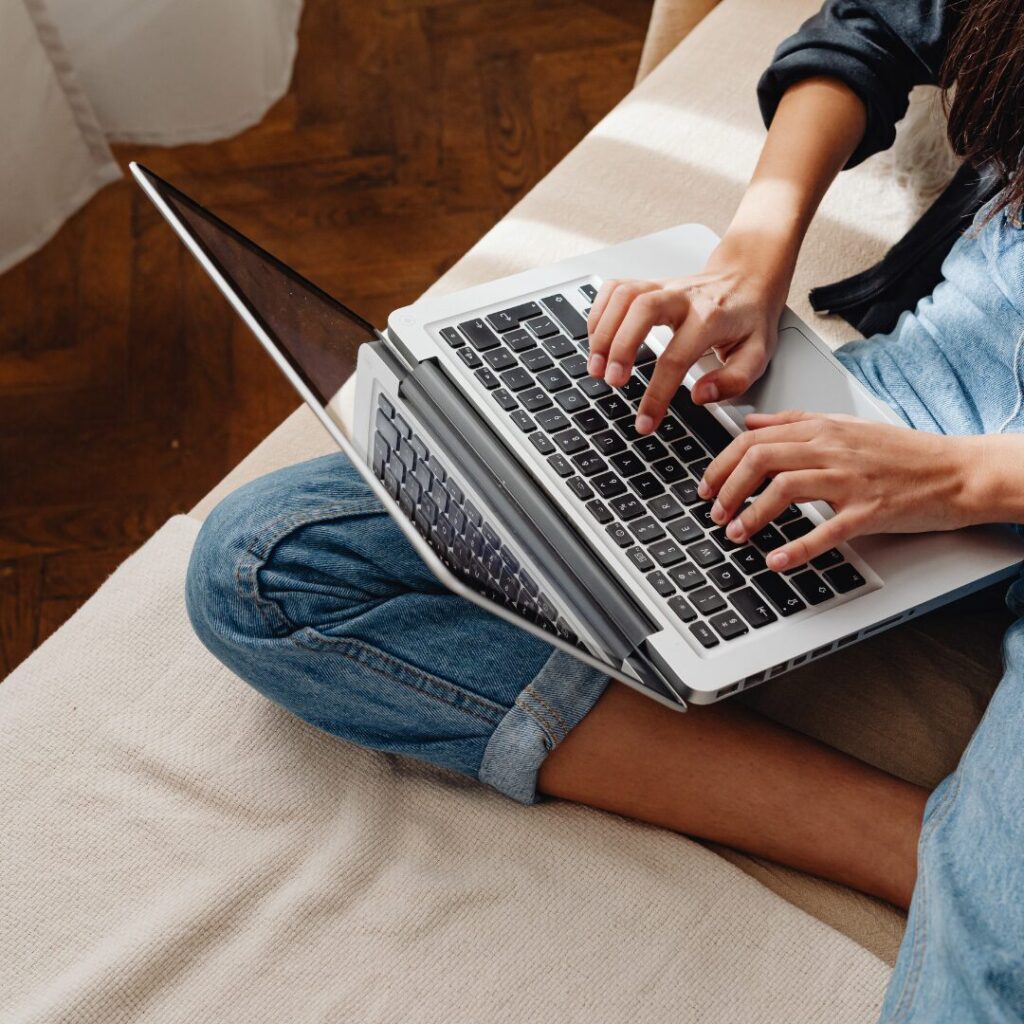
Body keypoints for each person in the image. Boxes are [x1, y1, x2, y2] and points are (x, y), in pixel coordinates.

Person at [185, 1, 1024, 1019]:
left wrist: (959, 481)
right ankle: (916, 850)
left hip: (965, 474)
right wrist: (748, 258)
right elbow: (875, 26)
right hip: (892, 411)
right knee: (271, 566)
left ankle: (983, 902)